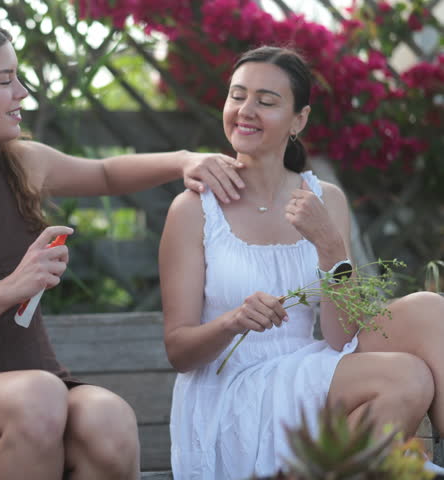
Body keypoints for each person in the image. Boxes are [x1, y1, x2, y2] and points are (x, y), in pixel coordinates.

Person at [0, 16, 248, 480]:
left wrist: (187, 160)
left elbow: (106, 173)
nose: (22, 92)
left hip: (40, 386)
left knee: (109, 419)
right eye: (5, 81)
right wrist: (11, 288)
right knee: (38, 400)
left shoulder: (23, 163)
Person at [160, 45, 444, 478]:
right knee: (407, 379)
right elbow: (179, 350)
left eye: (266, 101)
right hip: (232, 391)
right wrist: (233, 321)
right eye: (237, 96)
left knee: (430, 309)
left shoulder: (325, 199)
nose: (246, 110)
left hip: (309, 371)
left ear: (299, 120)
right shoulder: (195, 208)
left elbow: (339, 335)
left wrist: (329, 243)